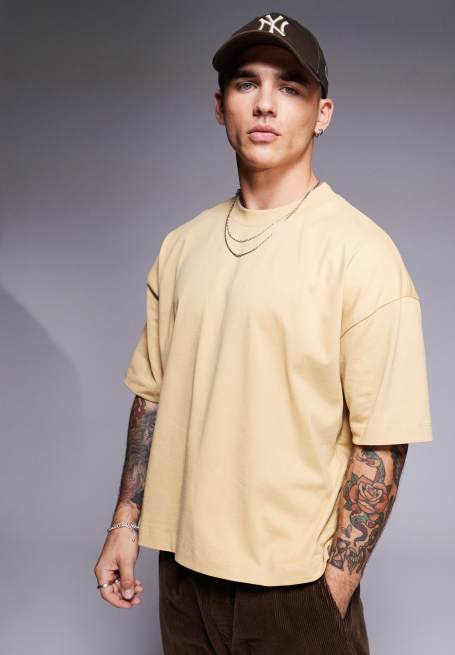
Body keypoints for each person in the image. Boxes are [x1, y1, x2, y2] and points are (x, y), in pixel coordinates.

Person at [94, 11, 433, 654]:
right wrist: (125, 523)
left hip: (295, 588)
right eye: (246, 83)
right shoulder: (182, 247)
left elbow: (383, 441)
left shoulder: (362, 254)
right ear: (219, 107)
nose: (266, 104)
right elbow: (152, 397)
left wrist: (334, 590)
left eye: (291, 87)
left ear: (322, 113)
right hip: (183, 576)